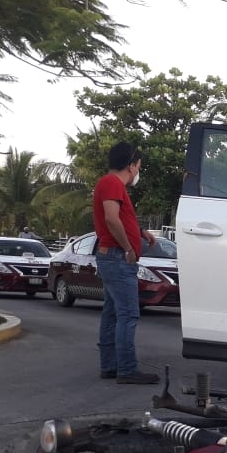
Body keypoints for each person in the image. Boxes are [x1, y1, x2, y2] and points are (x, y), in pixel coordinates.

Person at [92, 142, 158, 384]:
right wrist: (129, 248)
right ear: (131, 166)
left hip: (113, 257)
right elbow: (111, 219)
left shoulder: (111, 185)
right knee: (128, 314)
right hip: (118, 258)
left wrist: (139, 232)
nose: (138, 171)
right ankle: (127, 369)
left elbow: (118, 217)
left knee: (112, 314)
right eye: (139, 166)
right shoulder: (111, 183)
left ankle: (110, 366)